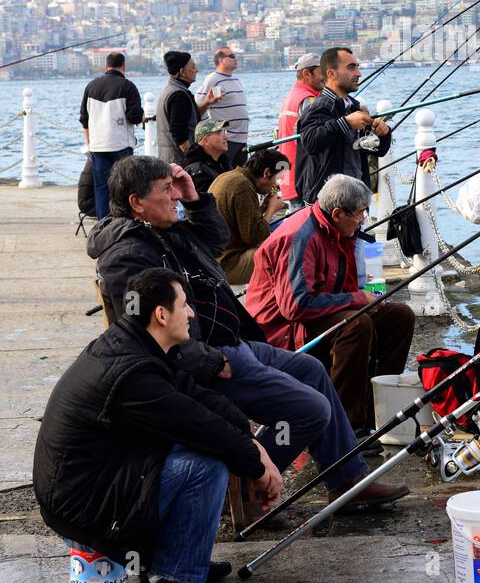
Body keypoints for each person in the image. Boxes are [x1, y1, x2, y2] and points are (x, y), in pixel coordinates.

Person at [88, 156, 409, 523]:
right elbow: (149, 332)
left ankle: (347, 481)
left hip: (232, 339)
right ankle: (252, 483)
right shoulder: (128, 254)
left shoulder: (163, 229)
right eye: (166, 191)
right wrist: (210, 362)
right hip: (208, 356)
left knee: (310, 371)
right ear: (136, 203)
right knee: (311, 410)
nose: (174, 197)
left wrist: (194, 199)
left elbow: (217, 241)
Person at [33, 267, 282, 583]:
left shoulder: (134, 343)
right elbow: (200, 426)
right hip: (83, 513)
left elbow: (196, 398)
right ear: (161, 314)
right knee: (206, 463)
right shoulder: (133, 374)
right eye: (185, 305)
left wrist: (251, 440)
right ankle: (169, 578)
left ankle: (180, 556)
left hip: (91, 487)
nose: (192, 313)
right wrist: (258, 468)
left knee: (204, 446)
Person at [246, 175, 415, 432]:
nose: (363, 221)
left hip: (316, 312)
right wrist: (358, 299)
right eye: (359, 214)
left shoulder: (340, 231)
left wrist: (368, 296)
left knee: (400, 316)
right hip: (284, 329)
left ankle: (375, 411)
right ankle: (345, 426)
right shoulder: (300, 237)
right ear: (337, 213)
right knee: (357, 324)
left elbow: (344, 285)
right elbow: (295, 306)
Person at [295, 47, 392, 205]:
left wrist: (384, 133)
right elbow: (310, 141)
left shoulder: (353, 107)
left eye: (357, 67)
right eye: (351, 67)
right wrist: (346, 123)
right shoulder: (320, 106)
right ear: (332, 74)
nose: (358, 73)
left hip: (354, 200)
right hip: (329, 203)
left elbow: (379, 150)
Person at [208, 148, 289, 285]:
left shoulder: (229, 176)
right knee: (285, 247)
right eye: (277, 179)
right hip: (228, 264)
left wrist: (261, 209)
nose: (276, 185)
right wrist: (271, 210)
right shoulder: (243, 187)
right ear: (267, 173)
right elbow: (254, 238)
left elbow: (237, 221)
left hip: (213, 260)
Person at [79, 52, 143, 219]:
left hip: (98, 146)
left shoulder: (91, 86)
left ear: (106, 66)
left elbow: (84, 120)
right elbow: (134, 116)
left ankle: (103, 226)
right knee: (124, 188)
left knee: (101, 188)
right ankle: (122, 224)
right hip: (121, 145)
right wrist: (142, 117)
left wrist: (90, 144)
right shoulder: (128, 86)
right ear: (124, 67)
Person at [276, 53, 324, 208]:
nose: (325, 76)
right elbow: (316, 140)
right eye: (321, 71)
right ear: (306, 74)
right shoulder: (308, 100)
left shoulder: (291, 97)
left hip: (290, 178)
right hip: (305, 178)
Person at [157, 51, 217, 164]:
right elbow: (178, 131)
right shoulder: (179, 95)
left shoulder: (170, 90)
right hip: (179, 162)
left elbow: (187, 118)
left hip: (168, 158)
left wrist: (206, 103)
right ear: (182, 72)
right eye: (193, 67)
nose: (196, 70)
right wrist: (192, 157)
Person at [196, 48, 249, 168]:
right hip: (226, 139)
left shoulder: (235, 79)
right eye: (232, 56)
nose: (235, 59)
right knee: (226, 175)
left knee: (240, 177)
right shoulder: (213, 79)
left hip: (241, 138)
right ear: (221, 60)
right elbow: (197, 105)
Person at [182, 116, 231, 198]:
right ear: (206, 140)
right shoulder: (197, 171)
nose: (226, 137)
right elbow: (204, 207)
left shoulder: (222, 162)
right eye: (219, 132)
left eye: (224, 132)